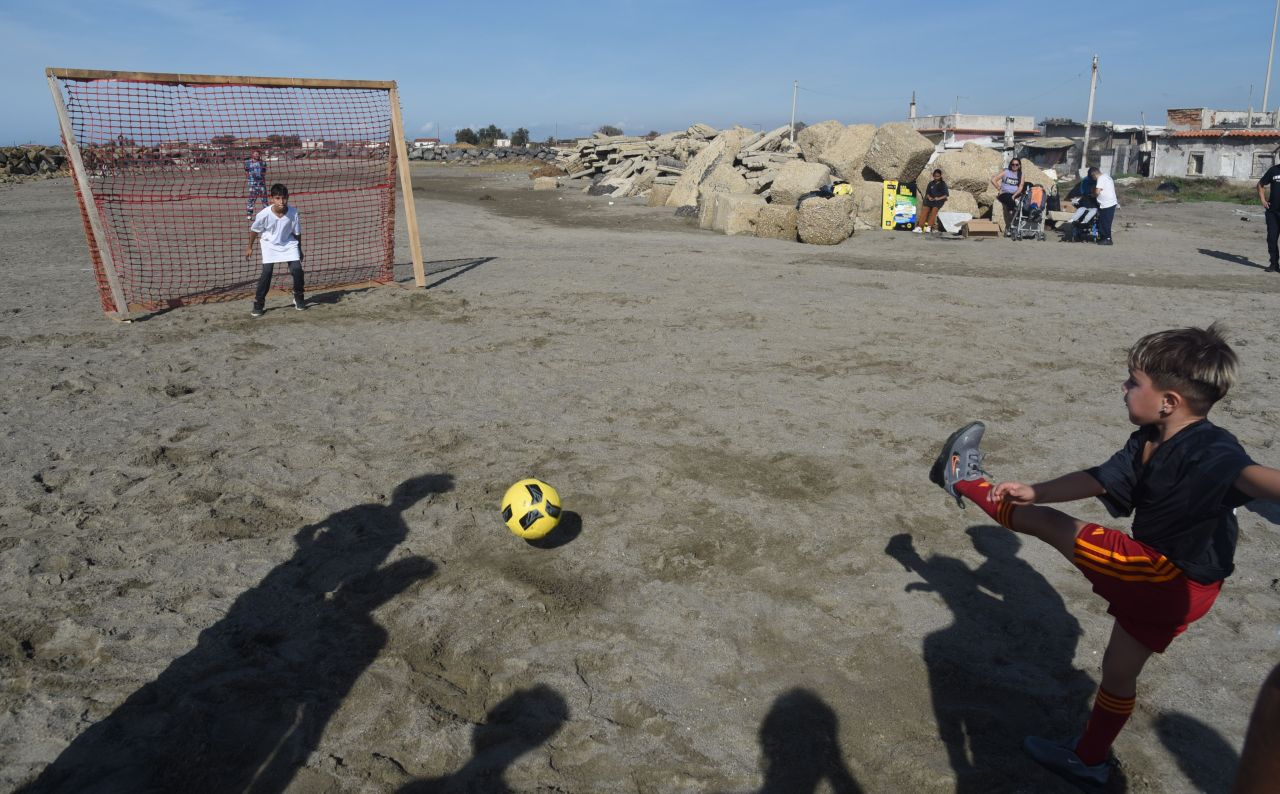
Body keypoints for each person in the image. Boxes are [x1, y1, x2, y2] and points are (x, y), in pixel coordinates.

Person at [928, 323, 1280, 791]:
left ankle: (960, 477)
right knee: (1117, 672)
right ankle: (1088, 760)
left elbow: (1252, 477)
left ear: (1169, 400)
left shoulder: (1210, 449)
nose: (1124, 388)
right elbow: (1100, 478)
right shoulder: (1149, 437)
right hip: (1184, 590)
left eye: (1134, 382)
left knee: (1051, 524)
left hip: (1167, 578)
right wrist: (1036, 489)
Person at [244, 183, 305, 317]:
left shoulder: (293, 212)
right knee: (267, 272)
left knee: (297, 269)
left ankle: (298, 296)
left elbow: (297, 233)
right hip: (269, 245)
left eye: (283, 198)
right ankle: (259, 303)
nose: (281, 201)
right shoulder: (264, 214)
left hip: (288, 244)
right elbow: (255, 230)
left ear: (287, 197)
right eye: (277, 198)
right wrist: (249, 247)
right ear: (271, 198)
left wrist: (299, 250)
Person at [989, 157, 1026, 235]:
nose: (1014, 166)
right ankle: (1010, 224)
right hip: (1004, 194)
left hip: (1015, 194)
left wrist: (1015, 195)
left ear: (1019, 166)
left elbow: (1021, 186)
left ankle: (1016, 222)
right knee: (1010, 200)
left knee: (1020, 201)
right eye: (1013, 164)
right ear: (1010, 165)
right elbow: (993, 180)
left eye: (1016, 164)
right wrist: (999, 188)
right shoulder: (1006, 172)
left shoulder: (1021, 175)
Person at [1256, 160, 1280, 272]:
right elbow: (1260, 184)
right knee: (1272, 238)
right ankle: (1274, 264)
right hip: (1272, 213)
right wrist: (1263, 200)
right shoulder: (1273, 170)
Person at [1063, 172, 1099, 242]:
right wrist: (1075, 201)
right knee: (1081, 209)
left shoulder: (1097, 197)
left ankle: (1085, 221)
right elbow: (1079, 203)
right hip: (1085, 207)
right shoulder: (1085, 195)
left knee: (1093, 211)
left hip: (1093, 209)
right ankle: (1072, 220)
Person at [915, 168, 949, 235]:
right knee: (924, 210)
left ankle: (929, 226)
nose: (936, 177)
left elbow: (946, 195)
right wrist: (929, 197)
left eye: (938, 176)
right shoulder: (931, 183)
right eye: (935, 176)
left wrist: (938, 198)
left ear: (940, 176)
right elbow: (927, 193)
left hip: (938, 201)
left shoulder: (943, 184)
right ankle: (919, 227)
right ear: (933, 176)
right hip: (930, 200)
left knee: (934, 211)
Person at [1092, 166, 1118, 245]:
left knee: (1105, 222)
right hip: (1110, 202)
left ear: (1094, 174)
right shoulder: (1107, 176)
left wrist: (1093, 195)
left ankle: (1107, 239)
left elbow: (1097, 191)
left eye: (1092, 177)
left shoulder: (1101, 178)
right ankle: (1105, 237)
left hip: (1107, 204)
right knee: (1105, 222)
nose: (1094, 179)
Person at [245, 149, 267, 220]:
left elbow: (264, 172)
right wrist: (250, 180)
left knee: (264, 200)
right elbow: (246, 171)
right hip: (252, 184)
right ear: (252, 154)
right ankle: (249, 214)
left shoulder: (263, 163)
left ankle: (267, 214)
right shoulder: (248, 162)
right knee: (251, 199)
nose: (257, 155)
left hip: (261, 184)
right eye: (255, 154)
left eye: (258, 154)